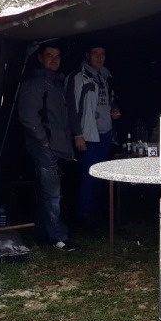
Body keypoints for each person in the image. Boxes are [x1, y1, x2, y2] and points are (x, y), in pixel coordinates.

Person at [17, 43, 78, 251]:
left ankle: (45, 233)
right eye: (49, 56)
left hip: (56, 145)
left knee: (49, 191)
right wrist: (43, 140)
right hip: (44, 147)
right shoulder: (36, 81)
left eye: (57, 56)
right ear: (40, 58)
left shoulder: (56, 81)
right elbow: (28, 115)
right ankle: (57, 237)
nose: (54, 60)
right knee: (52, 193)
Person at [66, 45, 121, 230]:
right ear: (87, 55)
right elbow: (71, 108)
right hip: (88, 135)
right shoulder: (78, 77)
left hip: (105, 134)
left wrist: (114, 110)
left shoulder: (105, 76)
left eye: (102, 54)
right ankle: (84, 218)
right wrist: (78, 135)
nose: (99, 57)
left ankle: (96, 217)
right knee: (88, 177)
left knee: (99, 177)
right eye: (95, 54)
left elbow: (109, 101)